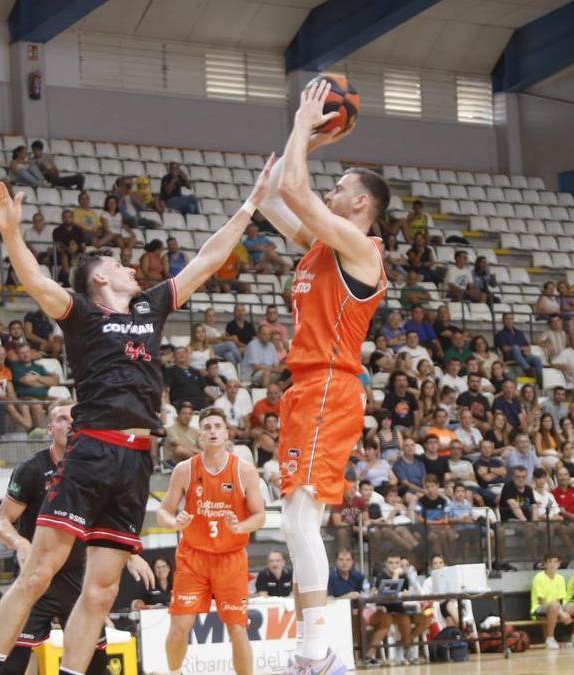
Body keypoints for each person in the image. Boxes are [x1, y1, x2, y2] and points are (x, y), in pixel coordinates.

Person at [0, 169, 271, 675]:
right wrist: (10, 233)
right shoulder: (82, 315)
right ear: (99, 278)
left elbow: (206, 261)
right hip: (92, 450)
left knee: (103, 589)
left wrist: (249, 207)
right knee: (39, 572)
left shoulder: (148, 307)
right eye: (118, 263)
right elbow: (36, 281)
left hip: (136, 460)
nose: (130, 268)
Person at [254, 84, 391, 673]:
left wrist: (306, 129)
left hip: (332, 385)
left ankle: (316, 651)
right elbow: (274, 197)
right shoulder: (320, 250)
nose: (331, 192)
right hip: (305, 388)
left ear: (361, 205)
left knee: (298, 518)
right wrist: (291, 152)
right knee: (294, 519)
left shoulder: (361, 248)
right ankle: (316, 651)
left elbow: (295, 189)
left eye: (342, 189)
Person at [0, 401, 154, 675]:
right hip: (38, 577)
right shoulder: (31, 469)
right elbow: (0, 521)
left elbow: (106, 522)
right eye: (62, 418)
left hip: (78, 580)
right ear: (50, 428)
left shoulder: (95, 470)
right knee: (11, 663)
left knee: (97, 666)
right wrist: (20, 542)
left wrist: (131, 555)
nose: (70, 423)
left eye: (75, 418)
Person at [157, 407, 266, 675]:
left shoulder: (244, 470)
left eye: (217, 426)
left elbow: (261, 516)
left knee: (238, 629)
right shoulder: (184, 470)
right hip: (193, 557)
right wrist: (174, 523)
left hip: (230, 558)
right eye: (206, 427)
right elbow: (163, 511)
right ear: (200, 437)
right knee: (179, 627)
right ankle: (174, 672)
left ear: (227, 434)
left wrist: (240, 526)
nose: (213, 431)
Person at [529, 552, 574, 648]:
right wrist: (562, 614)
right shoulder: (539, 578)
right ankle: (550, 639)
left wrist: (561, 612)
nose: (552, 565)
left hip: (556, 607)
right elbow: (542, 601)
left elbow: (559, 600)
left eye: (555, 562)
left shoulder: (560, 578)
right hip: (539, 609)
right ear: (545, 564)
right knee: (554, 605)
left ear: (559, 564)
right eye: (549, 562)